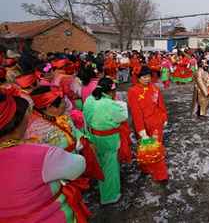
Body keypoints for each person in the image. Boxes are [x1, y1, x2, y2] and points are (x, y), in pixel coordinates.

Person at [0, 93, 90, 222]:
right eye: (28, 114)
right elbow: (79, 165)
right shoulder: (37, 154)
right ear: (16, 122)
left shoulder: (59, 119)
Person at [83, 77, 129, 205]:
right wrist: (122, 105)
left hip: (93, 137)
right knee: (110, 168)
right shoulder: (108, 104)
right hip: (108, 140)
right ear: (110, 91)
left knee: (102, 165)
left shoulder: (90, 99)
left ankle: (105, 191)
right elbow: (122, 116)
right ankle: (110, 196)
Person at [128, 67, 169, 183]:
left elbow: (161, 104)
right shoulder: (133, 91)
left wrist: (164, 117)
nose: (147, 79)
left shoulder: (155, 88)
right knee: (144, 148)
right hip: (143, 125)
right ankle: (145, 168)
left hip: (156, 124)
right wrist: (141, 130)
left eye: (148, 76)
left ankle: (160, 175)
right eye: (144, 77)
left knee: (156, 148)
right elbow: (136, 112)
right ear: (138, 78)